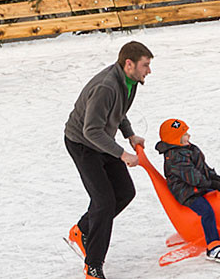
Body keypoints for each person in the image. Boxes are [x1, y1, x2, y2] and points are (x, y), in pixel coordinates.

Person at [63, 41, 153, 279]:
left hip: (101, 139)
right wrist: (122, 154)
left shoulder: (130, 82)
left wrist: (130, 134)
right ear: (129, 63)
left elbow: (118, 111)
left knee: (124, 192)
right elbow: (90, 131)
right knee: (103, 201)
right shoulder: (106, 86)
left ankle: (81, 230)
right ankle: (93, 266)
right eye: (145, 65)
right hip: (82, 144)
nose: (149, 71)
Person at [154, 119, 220, 264]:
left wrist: (213, 176)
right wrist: (209, 183)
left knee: (219, 198)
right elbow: (191, 176)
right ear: (175, 139)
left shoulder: (189, 148)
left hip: (197, 186)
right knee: (206, 211)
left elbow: (202, 166)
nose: (188, 136)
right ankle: (213, 246)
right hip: (187, 192)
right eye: (184, 134)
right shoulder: (175, 157)